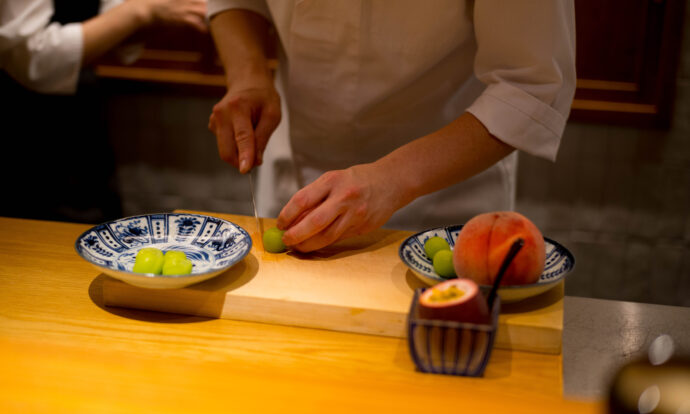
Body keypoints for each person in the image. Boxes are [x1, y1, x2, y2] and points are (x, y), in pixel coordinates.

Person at [207, 0, 576, 252]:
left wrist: (394, 178)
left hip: (444, 194)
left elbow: (530, 84)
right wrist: (248, 74)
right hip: (296, 178)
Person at [0, 0, 207, 222]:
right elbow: (32, 59)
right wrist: (141, 10)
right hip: (23, 130)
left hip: (83, 115)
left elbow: (113, 23)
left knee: (96, 224)